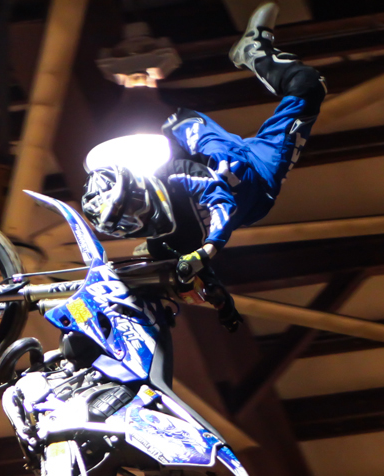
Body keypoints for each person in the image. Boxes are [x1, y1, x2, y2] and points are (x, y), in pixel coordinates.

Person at [81, 2, 327, 332]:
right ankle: (252, 48)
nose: (141, 219)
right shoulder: (165, 241)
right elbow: (194, 273)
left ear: (137, 185)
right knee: (310, 86)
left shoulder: (171, 175)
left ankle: (255, 51)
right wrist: (221, 300)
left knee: (180, 125)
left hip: (220, 158)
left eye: (135, 209)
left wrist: (209, 248)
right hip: (259, 175)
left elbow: (217, 198)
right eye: (131, 224)